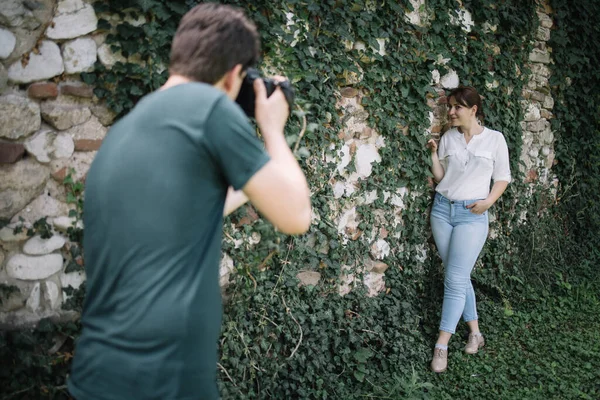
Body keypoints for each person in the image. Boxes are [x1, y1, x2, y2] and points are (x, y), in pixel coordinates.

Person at [67, 3, 311, 399]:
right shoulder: (209, 109)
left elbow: (194, 209)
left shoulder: (129, 127)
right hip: (165, 382)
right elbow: (297, 215)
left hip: (95, 378)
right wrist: (272, 128)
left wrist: (251, 175)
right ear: (234, 74)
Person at [426, 86, 511, 373]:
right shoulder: (449, 138)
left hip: (472, 216)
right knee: (457, 276)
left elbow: (502, 178)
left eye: (456, 107)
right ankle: (475, 332)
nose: (450, 112)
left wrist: (488, 201)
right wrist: (435, 155)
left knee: (454, 278)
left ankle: (442, 345)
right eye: (449, 106)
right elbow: (441, 178)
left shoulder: (495, 140)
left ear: (473, 110)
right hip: (441, 210)